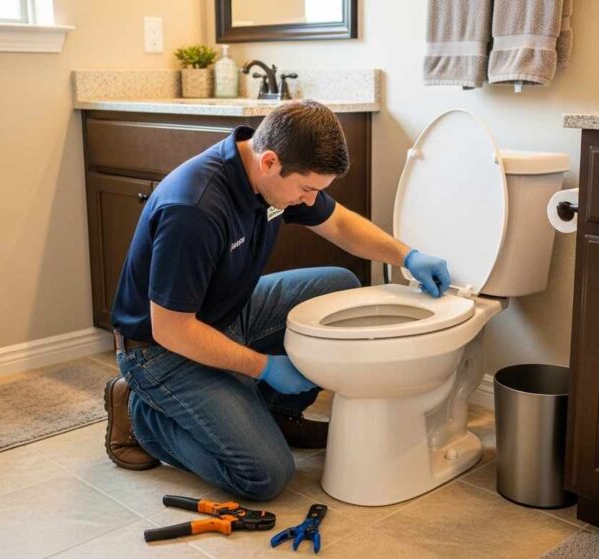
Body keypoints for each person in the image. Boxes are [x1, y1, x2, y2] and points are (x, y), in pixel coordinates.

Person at [104, 100, 452, 501]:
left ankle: (274, 412)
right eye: (307, 189)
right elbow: (172, 329)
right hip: (160, 350)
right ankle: (140, 415)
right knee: (264, 474)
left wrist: (406, 256)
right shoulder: (194, 209)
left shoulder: (271, 173)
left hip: (226, 313)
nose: (311, 201)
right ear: (269, 162)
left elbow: (339, 223)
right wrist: (264, 367)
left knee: (339, 285)